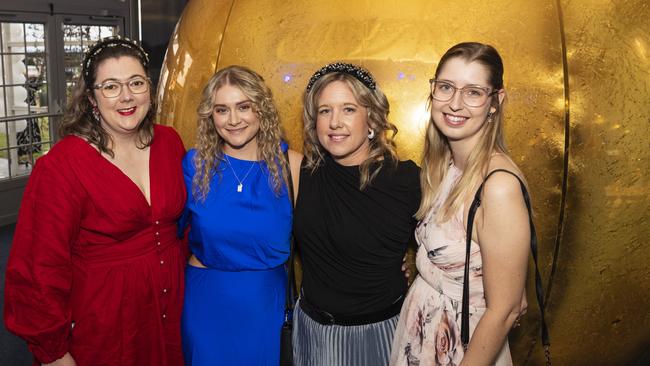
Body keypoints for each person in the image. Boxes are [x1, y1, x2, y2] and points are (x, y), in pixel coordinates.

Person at [4, 36, 187, 366]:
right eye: (111, 87)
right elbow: (38, 269)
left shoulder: (170, 143)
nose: (127, 96)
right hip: (106, 325)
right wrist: (54, 355)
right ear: (91, 98)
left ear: (150, 87)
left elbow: (189, 222)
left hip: (170, 312)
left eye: (136, 82)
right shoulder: (62, 166)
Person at [390, 42, 530, 366]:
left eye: (473, 92)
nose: (455, 103)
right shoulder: (446, 168)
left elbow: (508, 308)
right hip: (423, 335)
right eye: (446, 87)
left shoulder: (497, 187)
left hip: (465, 350)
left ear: (496, 101)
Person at [292, 62, 421, 366]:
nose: (335, 122)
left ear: (372, 118)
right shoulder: (301, 174)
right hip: (311, 332)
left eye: (348, 109)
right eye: (325, 111)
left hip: (378, 335)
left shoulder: (406, 180)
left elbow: (449, 246)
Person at [180, 65, 301, 365]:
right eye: (222, 110)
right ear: (211, 116)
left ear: (262, 109)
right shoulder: (194, 166)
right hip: (207, 305)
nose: (233, 120)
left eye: (243, 107)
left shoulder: (292, 166)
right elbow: (169, 232)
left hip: (266, 308)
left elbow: (322, 235)